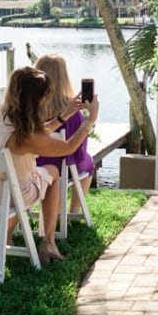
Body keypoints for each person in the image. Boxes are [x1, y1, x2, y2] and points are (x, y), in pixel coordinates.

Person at [0, 66, 100, 262]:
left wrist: (65, 115)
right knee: (53, 172)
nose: (46, 102)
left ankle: (6, 235)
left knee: (34, 176)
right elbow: (68, 147)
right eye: (45, 98)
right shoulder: (24, 138)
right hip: (12, 194)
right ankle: (48, 242)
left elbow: (37, 133)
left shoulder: (3, 114)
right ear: (36, 99)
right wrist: (90, 120)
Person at [34, 54, 93, 216]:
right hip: (63, 169)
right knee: (88, 161)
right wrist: (90, 118)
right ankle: (74, 211)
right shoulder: (72, 109)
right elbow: (78, 150)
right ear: (63, 77)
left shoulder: (29, 108)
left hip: (32, 167)